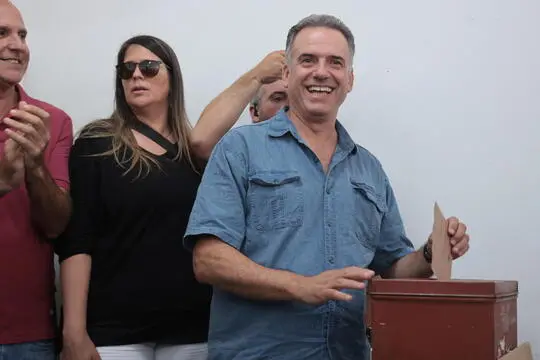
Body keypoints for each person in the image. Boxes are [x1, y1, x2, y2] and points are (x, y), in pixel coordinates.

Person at [183, 14, 471, 360]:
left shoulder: (369, 169)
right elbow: (209, 260)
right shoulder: (239, 149)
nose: (322, 72)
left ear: (349, 80)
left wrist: (430, 252)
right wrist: (300, 285)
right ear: (287, 75)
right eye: (308, 60)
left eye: (335, 62)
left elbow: (392, 268)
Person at [55, 35, 220, 360]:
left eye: (148, 67)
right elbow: (77, 241)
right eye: (127, 70)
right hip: (115, 333)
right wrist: (73, 330)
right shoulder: (97, 142)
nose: (136, 76)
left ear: (172, 76)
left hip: (191, 328)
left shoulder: (196, 151)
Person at [0, 1, 73, 359]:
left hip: (28, 333)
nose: (18, 45)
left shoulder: (52, 121)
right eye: (2, 33)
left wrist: (35, 167)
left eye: (22, 34)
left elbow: (57, 225)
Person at [190, 50, 286, 159]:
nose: (289, 107)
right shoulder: (242, 154)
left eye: (296, 99)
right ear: (255, 112)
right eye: (278, 98)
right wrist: (256, 76)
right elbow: (201, 140)